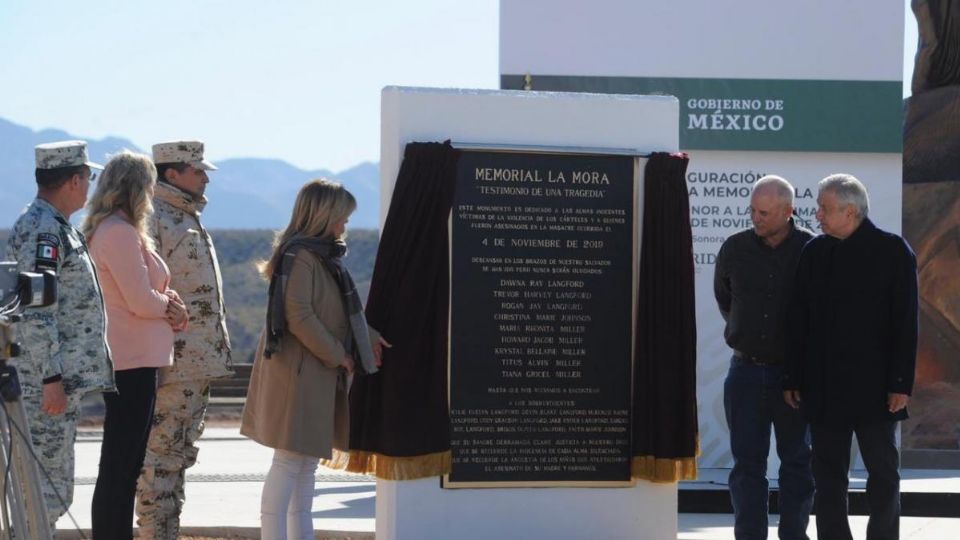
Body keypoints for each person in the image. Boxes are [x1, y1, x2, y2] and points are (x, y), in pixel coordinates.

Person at [240, 179, 388, 540]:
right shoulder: (303, 256)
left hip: (310, 372)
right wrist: (340, 356)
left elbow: (336, 311)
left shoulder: (318, 256)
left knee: (304, 466)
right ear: (324, 216)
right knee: (291, 463)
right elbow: (300, 316)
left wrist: (367, 338)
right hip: (300, 373)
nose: (344, 226)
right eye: (342, 217)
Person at [784, 174, 918, 540]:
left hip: (878, 390)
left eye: (824, 209)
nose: (818, 216)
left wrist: (901, 384)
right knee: (827, 477)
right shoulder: (814, 253)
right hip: (824, 387)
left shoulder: (893, 251)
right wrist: (793, 377)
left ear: (851, 211)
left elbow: (906, 324)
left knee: (883, 475)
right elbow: (798, 320)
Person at [4, 140, 116, 532]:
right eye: (88, 177)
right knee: (41, 492)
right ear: (73, 179)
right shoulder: (43, 231)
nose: (89, 186)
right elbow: (37, 312)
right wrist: (51, 378)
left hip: (53, 381)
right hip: (43, 384)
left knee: (49, 491)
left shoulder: (53, 226)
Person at [83, 151, 187, 539]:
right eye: (150, 185)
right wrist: (169, 308)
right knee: (120, 465)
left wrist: (168, 304)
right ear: (136, 188)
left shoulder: (121, 229)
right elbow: (141, 300)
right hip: (130, 361)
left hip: (137, 358)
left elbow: (147, 292)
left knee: (124, 464)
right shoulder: (118, 233)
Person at [136, 140, 234, 539]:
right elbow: (144, 288)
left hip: (195, 362)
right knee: (161, 458)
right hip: (174, 364)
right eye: (198, 170)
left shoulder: (184, 216)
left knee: (178, 455)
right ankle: (155, 533)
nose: (206, 177)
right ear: (172, 174)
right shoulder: (155, 218)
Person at [714, 175, 815, 540]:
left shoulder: (811, 250)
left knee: (797, 463)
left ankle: (794, 535)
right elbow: (725, 300)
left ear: (789, 212)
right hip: (745, 371)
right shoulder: (735, 249)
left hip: (795, 378)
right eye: (753, 210)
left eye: (765, 212)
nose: (756, 218)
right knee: (747, 466)